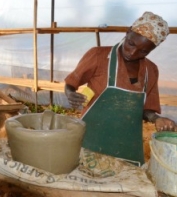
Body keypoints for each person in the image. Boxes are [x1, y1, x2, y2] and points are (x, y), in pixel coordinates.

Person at [64, 11, 176, 166]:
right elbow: (71, 83)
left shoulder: (151, 70)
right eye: (131, 43)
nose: (132, 52)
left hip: (127, 147)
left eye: (143, 51)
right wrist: (70, 93)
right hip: (90, 140)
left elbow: (146, 110)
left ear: (152, 50)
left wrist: (157, 119)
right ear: (128, 32)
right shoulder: (98, 56)